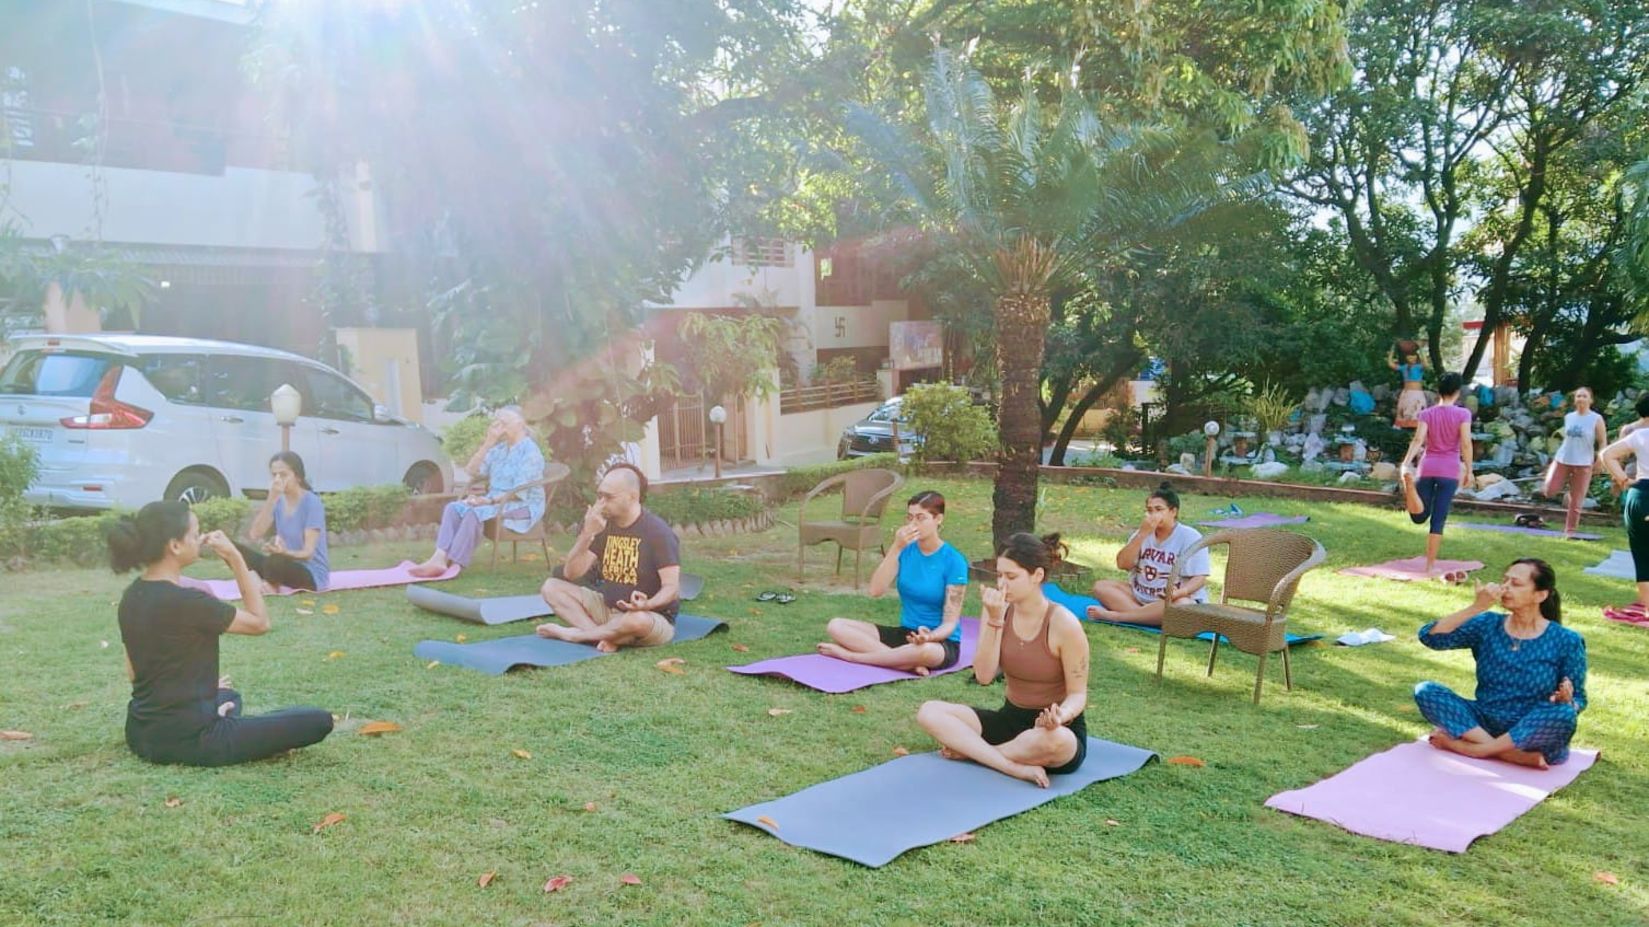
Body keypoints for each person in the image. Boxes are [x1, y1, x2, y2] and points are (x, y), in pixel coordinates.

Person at [107, 501, 333, 767]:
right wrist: (236, 558)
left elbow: (135, 674)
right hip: (194, 739)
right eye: (194, 534)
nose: (199, 539)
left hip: (140, 733)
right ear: (175, 545)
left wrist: (204, 691)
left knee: (229, 696)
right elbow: (259, 623)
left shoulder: (131, 597)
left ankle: (213, 707)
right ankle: (217, 716)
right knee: (318, 720)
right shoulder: (189, 602)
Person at [916, 533, 1090, 788]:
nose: (1002, 584)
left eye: (1011, 577)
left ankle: (974, 753)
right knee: (929, 711)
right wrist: (995, 619)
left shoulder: (1063, 624)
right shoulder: (996, 610)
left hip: (1053, 730)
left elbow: (1078, 695)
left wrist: (1060, 717)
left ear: (1037, 576)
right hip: (1010, 719)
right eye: (999, 575)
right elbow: (984, 676)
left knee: (1056, 742)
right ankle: (1009, 765)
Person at [1413, 558, 1587, 769]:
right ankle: (1509, 754)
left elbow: (1579, 699)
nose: (1505, 588)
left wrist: (1567, 700)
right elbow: (1430, 637)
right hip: (1484, 721)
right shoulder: (1488, 624)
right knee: (1426, 691)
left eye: (1516, 583)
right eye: (1504, 581)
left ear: (1540, 595)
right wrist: (1476, 607)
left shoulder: (1567, 640)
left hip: (1532, 729)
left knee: (1563, 713)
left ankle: (1474, 749)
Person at [817, 490, 968, 674]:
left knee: (924, 651)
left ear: (938, 519)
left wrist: (929, 637)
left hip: (938, 642)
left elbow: (950, 623)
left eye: (921, 518)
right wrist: (896, 547)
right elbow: (875, 590)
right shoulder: (905, 550)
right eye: (910, 518)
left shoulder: (954, 560)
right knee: (836, 626)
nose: (914, 524)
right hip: (906, 634)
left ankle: (852, 656)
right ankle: (906, 662)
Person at [537, 463, 681, 651]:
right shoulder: (603, 526)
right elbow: (571, 573)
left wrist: (647, 604)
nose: (602, 503)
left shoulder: (658, 532)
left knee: (636, 620)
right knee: (551, 587)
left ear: (632, 497)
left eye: (609, 497)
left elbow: (672, 588)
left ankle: (576, 635)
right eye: (599, 496)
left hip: (648, 616)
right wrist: (587, 534)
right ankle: (602, 637)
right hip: (608, 609)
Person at [410, 407, 546, 577]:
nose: (499, 427)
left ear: (520, 424)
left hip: (522, 504)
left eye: (504, 423)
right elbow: (471, 470)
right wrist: (488, 443)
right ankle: (438, 558)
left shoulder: (530, 453)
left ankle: (455, 564)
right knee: (453, 507)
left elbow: (518, 492)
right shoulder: (500, 449)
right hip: (495, 500)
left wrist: (487, 502)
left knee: (473, 513)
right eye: (497, 423)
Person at [1085, 481, 1210, 626]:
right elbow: (1122, 564)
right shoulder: (1143, 533)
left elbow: (1200, 578)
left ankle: (1119, 617)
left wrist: (1179, 593)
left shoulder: (1190, 536)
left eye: (1159, 509)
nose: (1153, 514)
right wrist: (1142, 535)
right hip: (1140, 597)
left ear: (1173, 512)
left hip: (1174, 599)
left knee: (1182, 607)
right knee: (1101, 587)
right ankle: (1148, 617)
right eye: (1150, 510)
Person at [1399, 371, 1474, 577]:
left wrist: (1406, 463)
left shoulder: (1427, 413)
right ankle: (1430, 566)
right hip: (1449, 469)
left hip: (1428, 466)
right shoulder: (1463, 414)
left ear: (1438, 391)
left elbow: (1418, 440)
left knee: (1419, 516)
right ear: (1458, 392)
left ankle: (1409, 485)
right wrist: (1469, 469)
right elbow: (1466, 443)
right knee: (1438, 518)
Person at [235, 451, 328, 593]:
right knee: (234, 550)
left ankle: (266, 584)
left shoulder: (311, 503)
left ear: (297, 476)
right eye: (274, 475)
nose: (278, 480)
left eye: (283, 475)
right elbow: (255, 534)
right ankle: (264, 582)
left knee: (275, 560)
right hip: (284, 564)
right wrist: (272, 498)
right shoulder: (278, 501)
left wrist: (284, 552)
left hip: (310, 573)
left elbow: (308, 553)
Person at [1598, 391, 1649, 620]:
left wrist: (1623, 480)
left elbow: (1607, 454)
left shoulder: (1639, 436)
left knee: (1642, 556)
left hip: (1638, 496)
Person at [1541, 386, 1606, 539]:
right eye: (1578, 396)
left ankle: (1570, 531)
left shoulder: (1596, 419)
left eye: (1584, 396)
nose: (1581, 399)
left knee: (1577, 501)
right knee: (1549, 491)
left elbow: (1603, 441)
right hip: (1562, 459)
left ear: (1590, 400)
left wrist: (1600, 460)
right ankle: (1568, 492)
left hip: (1583, 463)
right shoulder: (1569, 416)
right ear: (1575, 400)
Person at [1388, 340, 1427, 428]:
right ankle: (1403, 428)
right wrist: (1392, 348)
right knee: (1403, 411)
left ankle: (1416, 430)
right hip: (1406, 393)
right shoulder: (1404, 367)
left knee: (1416, 411)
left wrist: (1420, 348)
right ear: (1406, 358)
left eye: (1413, 357)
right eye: (1409, 357)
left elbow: (1425, 363)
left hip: (1417, 394)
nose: (1411, 359)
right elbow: (1390, 364)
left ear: (1416, 358)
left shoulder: (1419, 367)